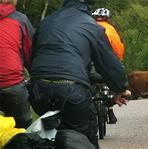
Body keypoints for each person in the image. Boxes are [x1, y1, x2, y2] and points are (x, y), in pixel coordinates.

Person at [29, 0, 130, 148]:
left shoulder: (47, 22)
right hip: (72, 90)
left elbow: (33, 55)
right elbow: (108, 63)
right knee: (85, 138)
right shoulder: (91, 25)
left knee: (45, 137)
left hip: (39, 89)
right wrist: (120, 88)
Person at [0, 0, 34, 128]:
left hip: (11, 81)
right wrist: (33, 75)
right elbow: (30, 52)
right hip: (12, 83)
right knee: (22, 126)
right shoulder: (20, 20)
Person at [92, 8, 125, 124]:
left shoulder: (87, 27)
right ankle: (111, 106)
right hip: (108, 62)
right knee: (111, 83)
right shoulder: (111, 30)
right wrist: (118, 61)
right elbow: (119, 48)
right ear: (108, 18)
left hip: (89, 62)